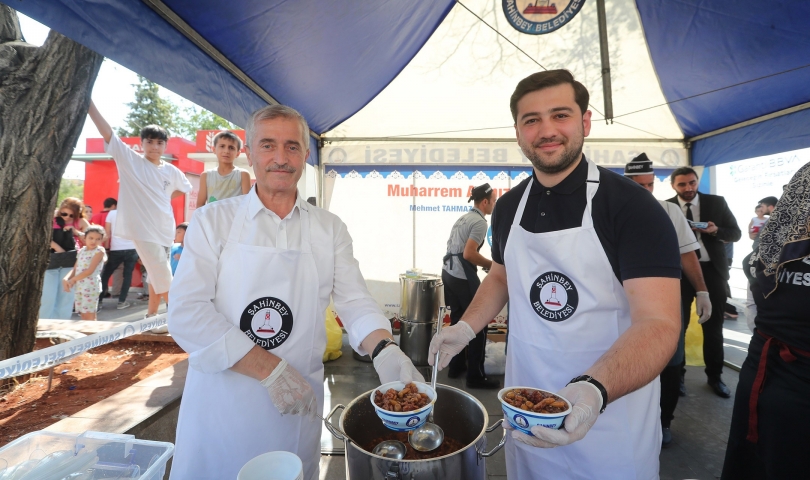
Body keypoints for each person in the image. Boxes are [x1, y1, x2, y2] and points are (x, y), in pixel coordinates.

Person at [428, 70, 681, 479]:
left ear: (585, 121)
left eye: (560, 115)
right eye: (531, 120)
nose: (546, 130)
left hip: (608, 418)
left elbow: (660, 323)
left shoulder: (631, 208)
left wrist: (593, 391)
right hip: (525, 409)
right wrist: (466, 327)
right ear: (517, 132)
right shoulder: (509, 207)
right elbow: (501, 276)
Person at [167, 104, 424, 480]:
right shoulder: (212, 222)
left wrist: (386, 350)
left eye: (292, 147)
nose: (280, 158)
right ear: (249, 154)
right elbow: (187, 314)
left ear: (306, 154)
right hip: (222, 404)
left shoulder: (329, 228)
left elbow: (353, 300)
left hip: (296, 406)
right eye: (268, 146)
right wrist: (268, 369)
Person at [721, 163, 810, 479]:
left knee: (754, 462)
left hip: (761, 370)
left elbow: (753, 313)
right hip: (793, 383)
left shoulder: (767, 249)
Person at [624, 153, 712, 447]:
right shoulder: (609, 213)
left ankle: (664, 422)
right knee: (627, 363)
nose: (646, 191)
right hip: (622, 306)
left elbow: (688, 256)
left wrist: (702, 291)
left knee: (670, 363)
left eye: (650, 185)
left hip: (665, 304)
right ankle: (629, 424)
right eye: (639, 185)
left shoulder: (670, 212)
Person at [87, 101, 192, 319]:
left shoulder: (171, 171)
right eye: (150, 141)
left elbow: (184, 188)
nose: (155, 146)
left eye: (160, 142)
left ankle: (151, 317)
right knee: (163, 275)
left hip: (165, 230)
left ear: (165, 145)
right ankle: (184, 320)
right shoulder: (131, 161)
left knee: (156, 276)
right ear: (142, 143)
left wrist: (162, 198)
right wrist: (90, 106)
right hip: (143, 230)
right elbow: (109, 135)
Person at [667, 167, 741, 398]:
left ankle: (715, 377)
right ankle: (677, 378)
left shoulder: (717, 203)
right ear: (673, 186)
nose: (688, 188)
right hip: (679, 273)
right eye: (682, 185)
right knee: (678, 327)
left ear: (697, 182)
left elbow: (735, 233)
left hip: (712, 271)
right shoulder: (667, 206)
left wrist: (715, 230)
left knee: (714, 326)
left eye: (692, 183)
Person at [441, 183, 498, 389]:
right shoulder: (480, 222)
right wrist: (492, 265)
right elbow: (469, 254)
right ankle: (475, 376)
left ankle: (455, 367)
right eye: (493, 201)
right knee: (478, 324)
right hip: (461, 274)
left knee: (458, 321)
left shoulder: (463, 218)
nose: (494, 205)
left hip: (448, 272)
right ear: (485, 202)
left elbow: (461, 252)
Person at [40, 198, 84, 319]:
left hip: (69, 262)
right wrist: (59, 249)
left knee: (66, 296)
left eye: (71, 215)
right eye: (64, 213)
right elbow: (44, 237)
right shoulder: (51, 218)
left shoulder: (78, 221)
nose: (67, 217)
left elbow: (94, 236)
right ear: (60, 210)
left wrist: (77, 232)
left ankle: (61, 326)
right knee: (47, 296)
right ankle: (44, 326)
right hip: (51, 260)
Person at [196, 130, 251, 207]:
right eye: (222, 146)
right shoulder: (206, 175)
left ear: (238, 153)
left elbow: (247, 204)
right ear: (214, 149)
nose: (226, 151)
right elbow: (200, 205)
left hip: (235, 218)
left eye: (231, 148)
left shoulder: (243, 175)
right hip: (212, 219)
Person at [63, 225, 107, 321]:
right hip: (79, 286)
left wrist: (73, 280)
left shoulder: (99, 251)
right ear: (85, 237)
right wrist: (66, 278)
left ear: (101, 240)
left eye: (97, 239)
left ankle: (93, 335)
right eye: (91, 238)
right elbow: (75, 268)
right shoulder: (82, 251)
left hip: (91, 286)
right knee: (83, 315)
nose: (93, 241)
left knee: (89, 316)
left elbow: (90, 270)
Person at [99, 208, 139, 310]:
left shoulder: (112, 213)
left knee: (105, 275)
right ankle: (122, 301)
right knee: (127, 275)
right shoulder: (136, 211)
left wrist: (107, 248)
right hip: (132, 248)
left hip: (116, 249)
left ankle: (98, 301)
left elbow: (107, 233)